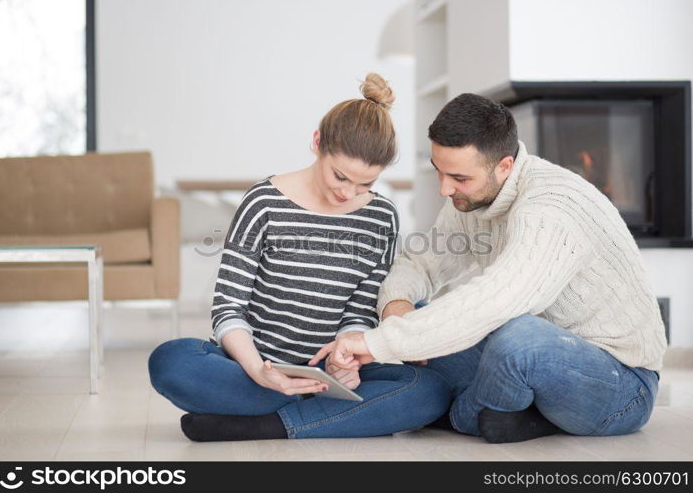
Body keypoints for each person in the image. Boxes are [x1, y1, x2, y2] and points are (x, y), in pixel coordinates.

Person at [310, 93, 667, 444]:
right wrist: (396, 313)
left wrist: (380, 343)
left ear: (504, 167)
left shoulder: (550, 208)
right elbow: (420, 262)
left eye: (459, 178)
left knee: (517, 341)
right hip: (513, 352)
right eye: (440, 172)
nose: (444, 189)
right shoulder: (472, 198)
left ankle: (460, 415)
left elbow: (496, 301)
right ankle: (503, 410)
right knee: (416, 317)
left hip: (622, 383)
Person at [148, 73, 451, 442]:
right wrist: (259, 370)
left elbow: (359, 310)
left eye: (365, 184)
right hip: (254, 368)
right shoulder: (264, 202)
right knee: (170, 362)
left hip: (328, 373)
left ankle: (266, 425)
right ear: (317, 142)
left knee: (429, 389)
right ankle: (329, 416)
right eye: (340, 176)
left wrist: (348, 359)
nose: (348, 192)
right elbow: (228, 307)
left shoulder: (381, 216)